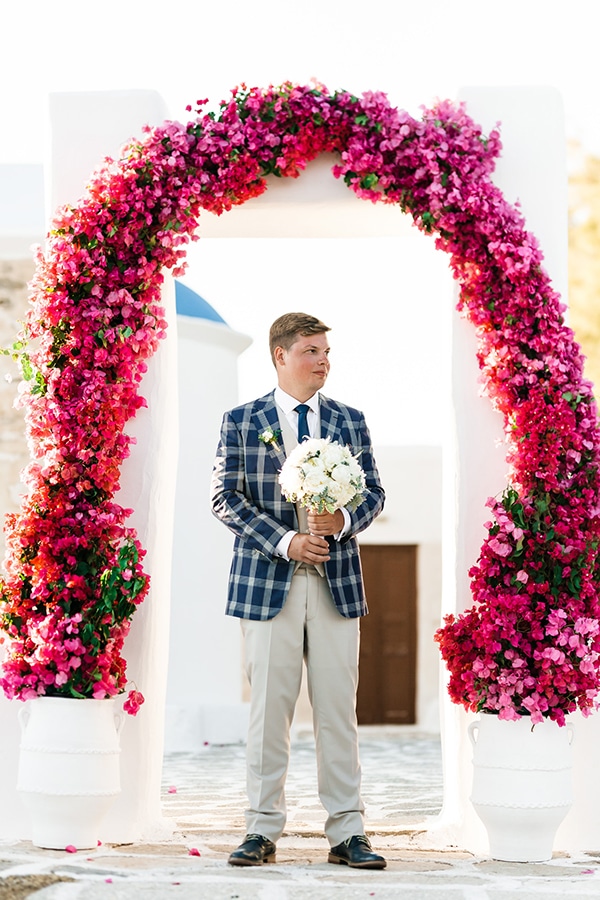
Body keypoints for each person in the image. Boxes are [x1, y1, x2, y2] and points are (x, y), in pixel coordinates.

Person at [210, 312, 386, 869]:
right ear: (280, 356)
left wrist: (344, 522)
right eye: (311, 350)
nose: (323, 360)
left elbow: (374, 492)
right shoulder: (242, 420)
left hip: (337, 585)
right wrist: (286, 541)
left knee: (339, 711)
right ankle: (261, 830)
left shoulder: (350, 421)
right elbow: (225, 498)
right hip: (268, 583)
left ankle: (348, 833)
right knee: (269, 712)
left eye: (326, 351)